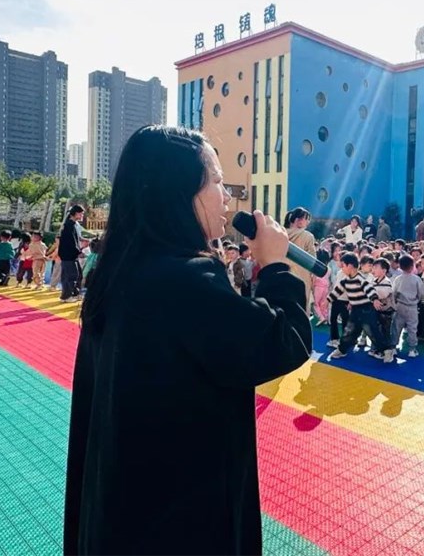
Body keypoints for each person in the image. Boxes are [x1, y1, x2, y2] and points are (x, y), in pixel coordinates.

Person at [64, 125, 312, 556]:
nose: (227, 197)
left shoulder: (120, 271)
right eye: (216, 181)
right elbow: (281, 341)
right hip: (180, 518)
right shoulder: (185, 277)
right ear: (179, 192)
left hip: (123, 508)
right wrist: (274, 267)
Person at [285, 207, 316, 311]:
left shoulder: (281, 233)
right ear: (299, 220)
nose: (308, 222)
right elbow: (312, 259)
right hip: (302, 275)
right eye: (307, 219)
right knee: (302, 305)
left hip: (283, 272)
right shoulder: (307, 236)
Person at [59, 205, 85, 302]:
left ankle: (75, 294)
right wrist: (78, 252)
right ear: (76, 213)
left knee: (78, 275)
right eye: (81, 213)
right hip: (68, 255)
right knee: (71, 276)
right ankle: (67, 296)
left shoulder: (72, 224)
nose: (82, 215)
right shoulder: (69, 225)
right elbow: (71, 242)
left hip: (70, 255)